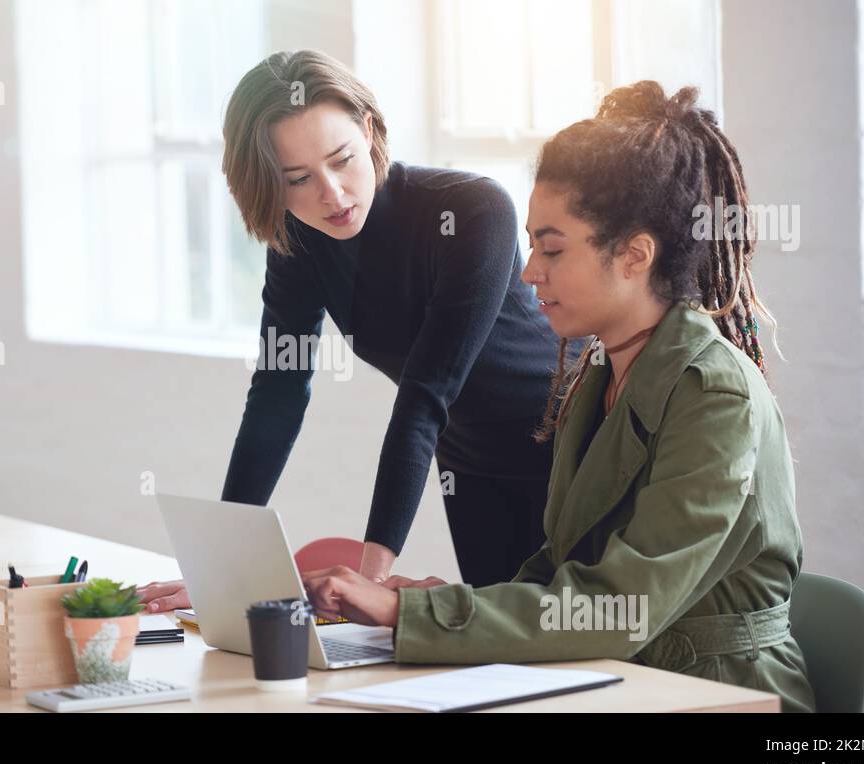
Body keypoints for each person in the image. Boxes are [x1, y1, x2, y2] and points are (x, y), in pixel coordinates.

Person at [300, 81, 817, 713]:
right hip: (622, 679)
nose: (528, 272)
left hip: (720, 696)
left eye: (551, 249)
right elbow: (560, 569)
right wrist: (431, 604)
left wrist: (413, 613)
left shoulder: (716, 396)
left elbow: (620, 606)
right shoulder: (598, 377)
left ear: (634, 255)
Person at [139, 50, 564, 612]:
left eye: (341, 160)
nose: (332, 195)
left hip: (568, 448)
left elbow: (425, 393)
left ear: (368, 130)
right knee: (507, 660)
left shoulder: (471, 210)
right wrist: (220, 567)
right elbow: (277, 393)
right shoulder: (299, 241)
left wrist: (371, 581)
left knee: (579, 643)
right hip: (470, 462)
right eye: (298, 179)